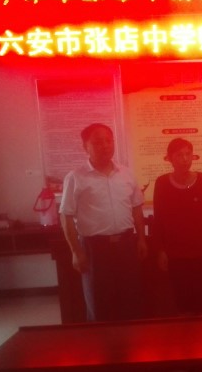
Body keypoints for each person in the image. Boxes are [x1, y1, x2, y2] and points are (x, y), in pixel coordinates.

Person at [59, 123, 148, 321]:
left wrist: (141, 239)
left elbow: (136, 208)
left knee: (131, 302)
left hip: (126, 246)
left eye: (108, 140)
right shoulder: (75, 177)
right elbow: (66, 216)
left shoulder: (126, 174)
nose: (105, 146)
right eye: (98, 142)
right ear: (85, 146)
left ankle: (131, 340)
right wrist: (76, 252)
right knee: (100, 306)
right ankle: (100, 341)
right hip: (95, 249)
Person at [152, 138, 202, 315]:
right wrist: (160, 250)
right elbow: (158, 219)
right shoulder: (162, 183)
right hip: (175, 254)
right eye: (179, 155)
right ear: (169, 158)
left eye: (188, 154)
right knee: (182, 301)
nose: (185, 159)